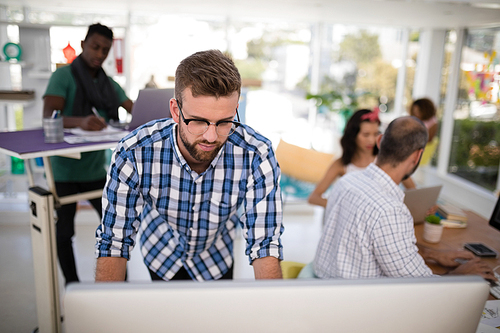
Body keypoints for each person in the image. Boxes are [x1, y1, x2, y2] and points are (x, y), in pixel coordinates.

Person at [95, 50, 283, 282]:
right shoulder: (134, 152)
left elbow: (265, 243)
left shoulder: (257, 154)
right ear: (176, 110)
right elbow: (114, 241)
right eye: (198, 121)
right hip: (161, 253)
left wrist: (274, 310)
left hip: (216, 260)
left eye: (225, 122)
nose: (212, 136)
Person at [313, 116, 495, 280]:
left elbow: (387, 249)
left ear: (380, 140)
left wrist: (433, 254)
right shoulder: (389, 210)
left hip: (326, 281)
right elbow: (419, 286)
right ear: (417, 156)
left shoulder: (347, 181)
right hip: (354, 303)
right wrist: (460, 276)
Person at [43, 23, 133, 285]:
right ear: (83, 45)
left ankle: (118, 286)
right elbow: (49, 116)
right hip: (64, 171)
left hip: (96, 171)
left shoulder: (108, 84)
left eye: (105, 50)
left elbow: (131, 108)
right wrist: (80, 121)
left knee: (116, 231)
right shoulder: (63, 77)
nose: (99, 54)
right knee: (63, 233)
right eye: (95, 47)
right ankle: (73, 286)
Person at [308, 109, 415, 208]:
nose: (372, 140)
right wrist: (345, 208)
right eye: (366, 134)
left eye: (376, 134)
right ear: (353, 135)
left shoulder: (388, 161)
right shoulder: (341, 164)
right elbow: (313, 198)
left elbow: (414, 191)